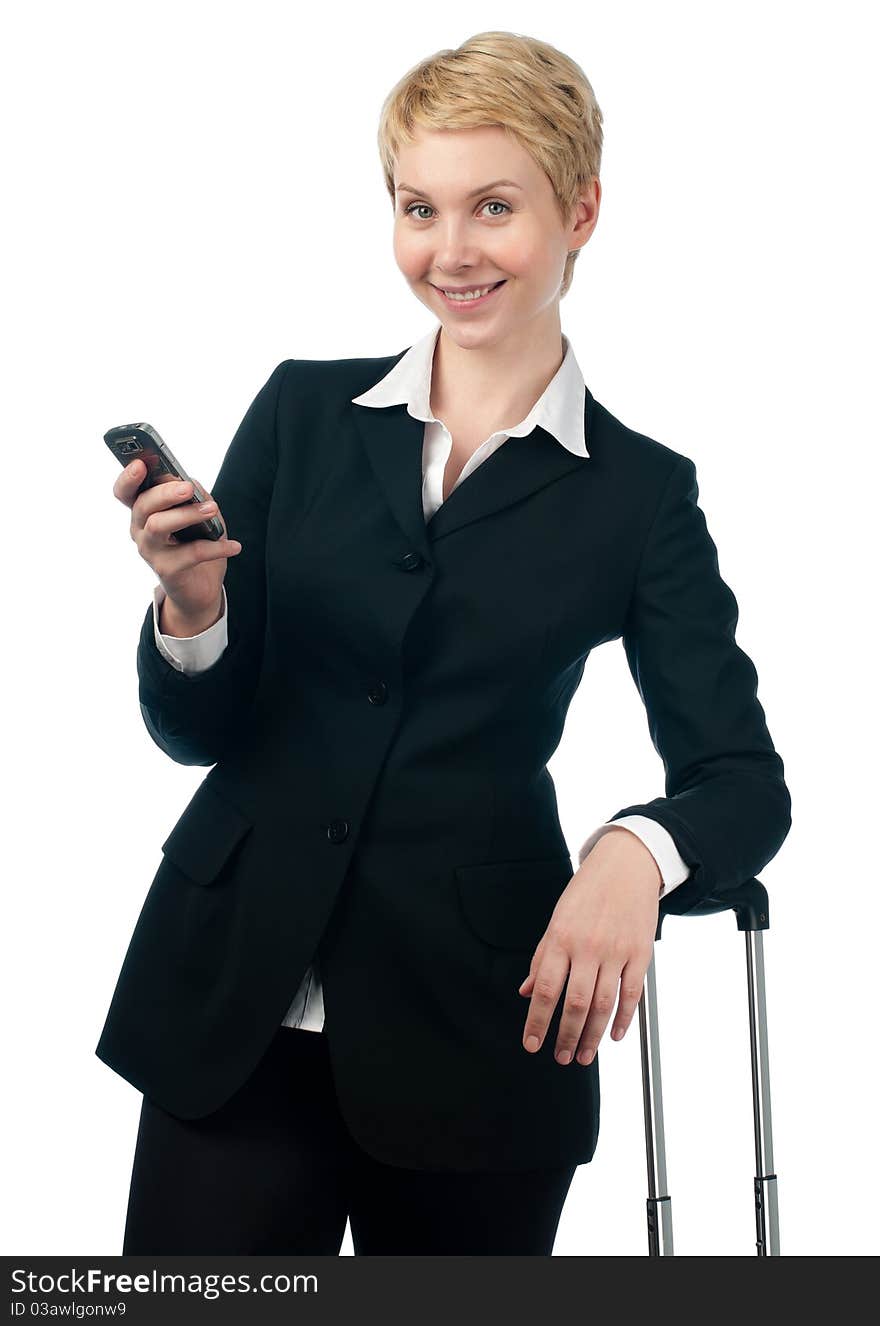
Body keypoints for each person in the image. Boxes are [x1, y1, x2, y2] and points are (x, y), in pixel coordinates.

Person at [96, 30, 792, 1256]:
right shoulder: (301, 411)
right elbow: (197, 731)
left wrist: (636, 854)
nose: (451, 251)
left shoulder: (638, 496)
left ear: (580, 212)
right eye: (419, 208)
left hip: (480, 1037)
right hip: (231, 1011)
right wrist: (193, 609)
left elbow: (743, 781)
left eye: (493, 207)